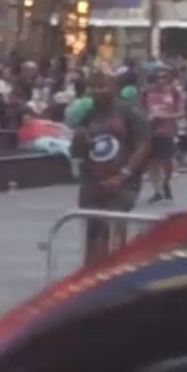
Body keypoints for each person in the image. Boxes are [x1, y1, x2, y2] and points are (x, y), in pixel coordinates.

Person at [70, 68, 151, 268]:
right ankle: (92, 273)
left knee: (115, 225)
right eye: (94, 87)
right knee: (95, 229)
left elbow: (144, 145)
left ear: (113, 87)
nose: (98, 91)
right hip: (93, 181)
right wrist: (79, 140)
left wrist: (124, 175)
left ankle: (113, 270)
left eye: (103, 86)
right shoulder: (88, 115)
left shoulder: (129, 111)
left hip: (122, 182)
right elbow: (76, 152)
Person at [141, 66, 187, 203]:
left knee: (168, 161)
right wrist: (148, 117)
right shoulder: (146, 93)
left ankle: (166, 182)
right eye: (157, 78)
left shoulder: (174, 93)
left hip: (167, 131)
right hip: (150, 132)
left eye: (163, 77)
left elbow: (182, 113)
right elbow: (140, 111)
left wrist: (166, 116)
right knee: (152, 162)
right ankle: (158, 191)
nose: (160, 81)